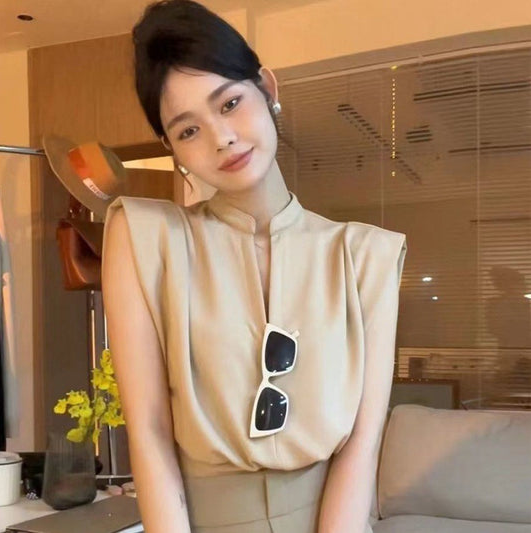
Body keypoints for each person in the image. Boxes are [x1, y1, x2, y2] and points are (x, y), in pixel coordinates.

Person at [101, 1, 407, 532]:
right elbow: (149, 432)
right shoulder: (144, 237)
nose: (221, 137)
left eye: (230, 103)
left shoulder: (366, 255)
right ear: (171, 147)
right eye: (188, 130)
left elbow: (362, 441)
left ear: (266, 88)